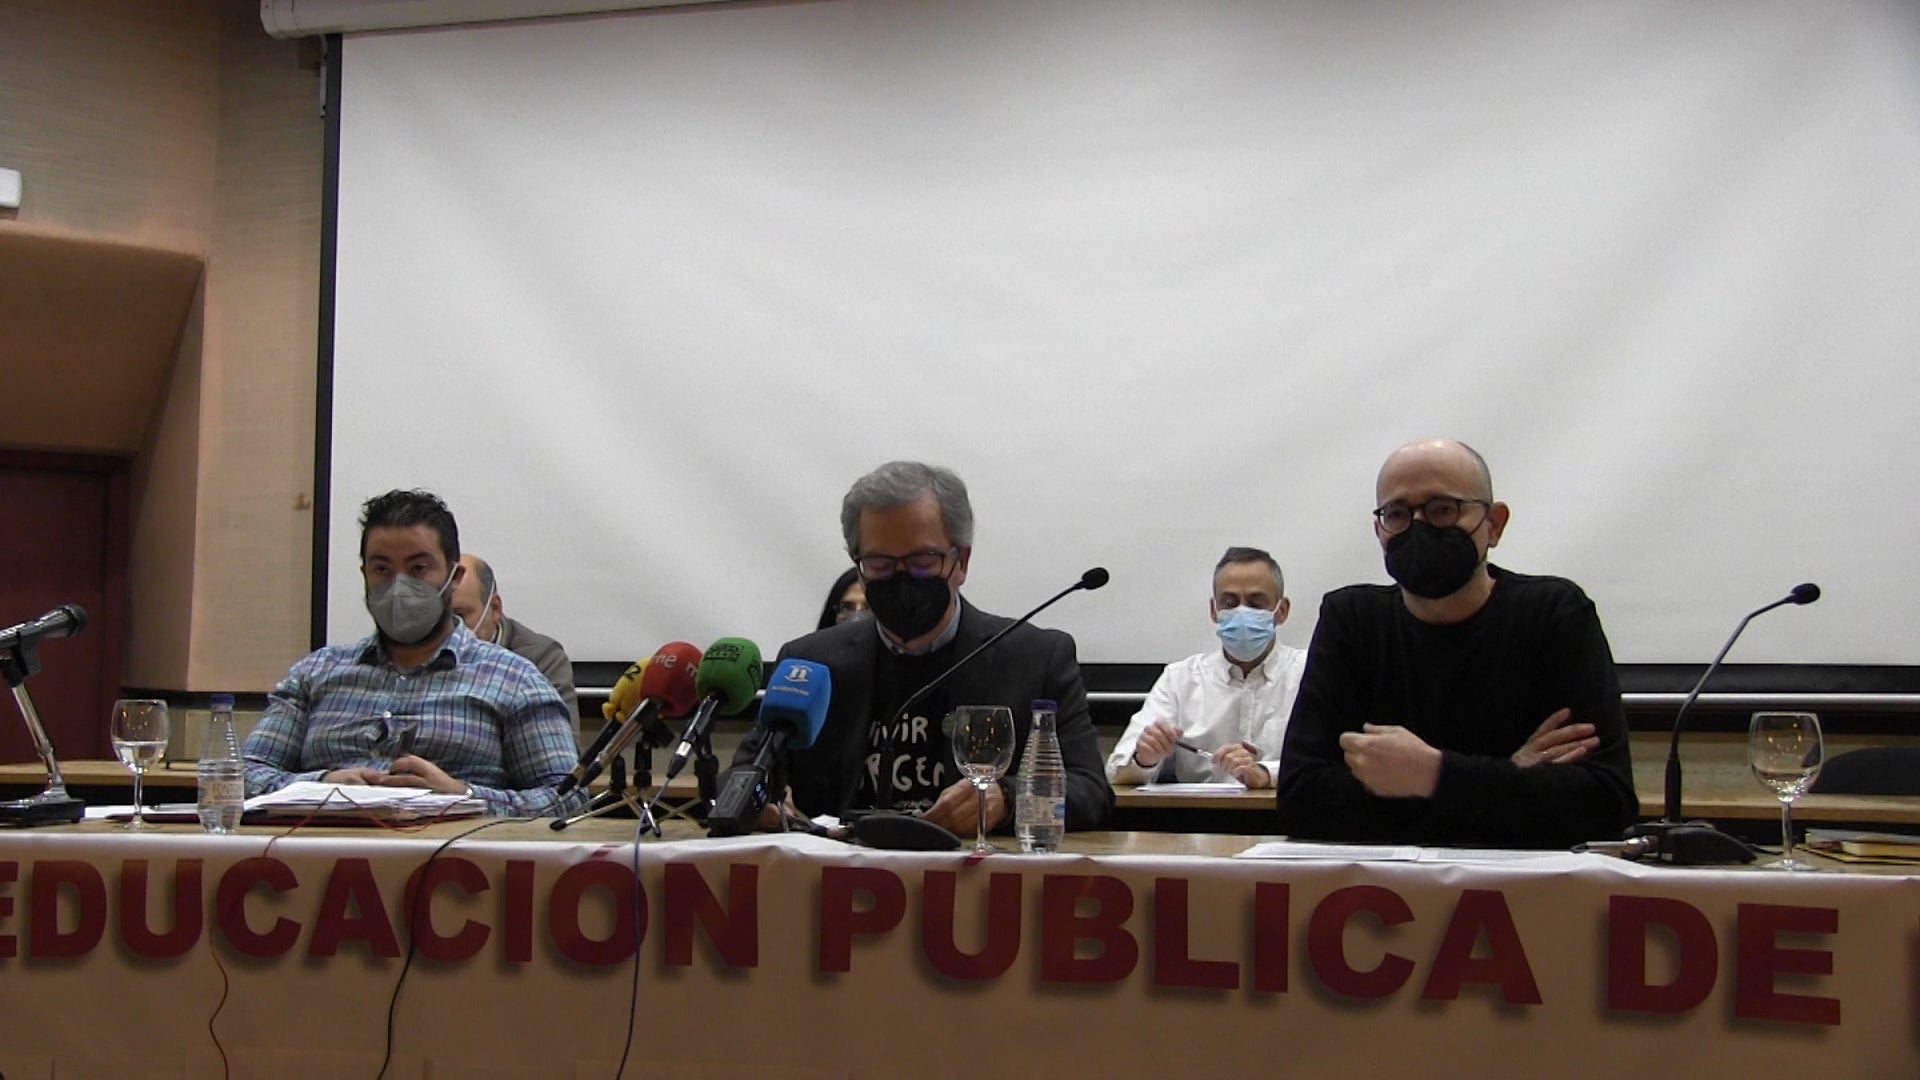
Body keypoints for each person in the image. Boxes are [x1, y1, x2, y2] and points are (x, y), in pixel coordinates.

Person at [1274, 438, 1638, 848]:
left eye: (1442, 509)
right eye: (1397, 513)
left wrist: (1431, 773)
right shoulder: (1352, 620)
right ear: (1379, 531)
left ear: (1494, 525)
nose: (1418, 527)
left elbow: (1605, 804)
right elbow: (1304, 801)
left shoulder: (1555, 614)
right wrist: (1507, 778)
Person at [730, 461, 1113, 834]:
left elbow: (1091, 791)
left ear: (960, 562)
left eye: (921, 560)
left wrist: (1007, 799)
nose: (901, 577)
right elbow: (742, 777)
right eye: (880, 563)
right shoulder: (810, 663)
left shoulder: (1033, 659)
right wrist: (759, 802)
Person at [242, 490, 589, 817]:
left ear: (454, 577)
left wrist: (464, 796)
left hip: (452, 866)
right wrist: (319, 785)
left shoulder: (515, 680)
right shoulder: (315, 673)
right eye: (382, 570)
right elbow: (241, 775)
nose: (398, 586)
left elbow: (568, 798)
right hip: (322, 863)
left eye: (418, 569)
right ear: (364, 574)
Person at [1106, 546, 1306, 788]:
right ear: (1214, 611)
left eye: (1255, 604)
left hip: (1284, 820)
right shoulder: (1180, 679)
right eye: (1229, 603)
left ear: (1281, 611)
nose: (1241, 612)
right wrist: (1144, 759)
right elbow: (1116, 773)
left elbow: (1332, 764)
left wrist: (1265, 773)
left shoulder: (1309, 673)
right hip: (1197, 820)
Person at [450, 553, 580, 727]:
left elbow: (563, 747)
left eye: (459, 615)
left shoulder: (541, 659)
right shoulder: (414, 651)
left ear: (495, 608)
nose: (448, 627)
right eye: (438, 615)